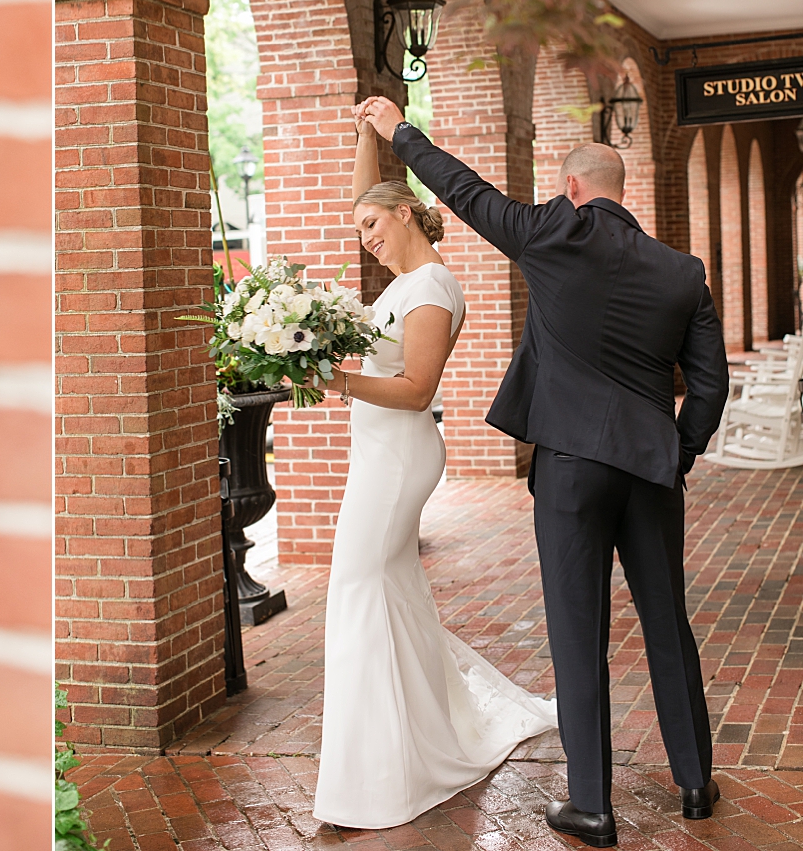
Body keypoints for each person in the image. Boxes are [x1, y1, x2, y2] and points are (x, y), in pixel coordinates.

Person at [356, 95, 729, 847]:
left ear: (572, 189)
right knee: (667, 621)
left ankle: (591, 804)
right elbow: (711, 384)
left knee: (578, 630)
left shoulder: (550, 230)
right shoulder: (682, 271)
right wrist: (676, 450)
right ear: (620, 192)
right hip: (650, 470)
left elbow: (462, 190)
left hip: (569, 468)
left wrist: (399, 129)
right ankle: (694, 781)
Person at [311, 112, 558, 830]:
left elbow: (418, 388)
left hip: (398, 457)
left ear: (408, 211)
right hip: (378, 454)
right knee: (386, 594)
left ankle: (373, 781)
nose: (367, 238)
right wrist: (366, 132)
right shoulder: (402, 280)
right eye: (359, 230)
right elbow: (369, 196)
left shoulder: (430, 288)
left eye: (373, 225)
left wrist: (339, 381)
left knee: (357, 589)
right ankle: (412, 746)